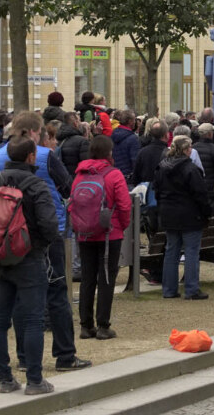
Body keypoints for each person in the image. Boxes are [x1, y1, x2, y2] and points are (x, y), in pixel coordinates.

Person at [0, 136, 59, 395]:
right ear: (31, 157)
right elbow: (50, 226)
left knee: (0, 320)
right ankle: (34, 380)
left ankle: (5, 379)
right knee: (32, 320)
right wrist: (34, 243)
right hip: (30, 258)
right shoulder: (37, 185)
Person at [72, 134, 131, 340]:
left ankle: (85, 325)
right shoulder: (114, 174)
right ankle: (103, 325)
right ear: (109, 152)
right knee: (106, 278)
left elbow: (73, 202)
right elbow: (124, 205)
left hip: (85, 232)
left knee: (87, 278)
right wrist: (122, 226)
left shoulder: (80, 173)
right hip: (109, 233)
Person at [154, 135, 211, 300]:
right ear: (187, 150)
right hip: (190, 215)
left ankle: (169, 289)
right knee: (192, 251)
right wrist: (206, 213)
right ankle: (192, 289)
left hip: (169, 213)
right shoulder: (191, 169)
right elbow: (201, 195)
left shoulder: (162, 167)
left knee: (171, 251)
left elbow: (157, 190)